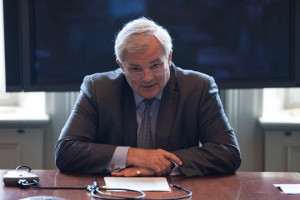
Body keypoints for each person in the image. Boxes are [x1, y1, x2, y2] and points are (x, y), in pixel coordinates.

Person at [55, 17, 241, 177]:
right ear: (121, 66)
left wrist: (164, 166)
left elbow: (228, 153)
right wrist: (134, 156)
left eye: (155, 66)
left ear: (168, 58)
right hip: (113, 190)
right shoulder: (98, 88)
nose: (147, 78)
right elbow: (65, 152)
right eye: (135, 69)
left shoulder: (198, 87)